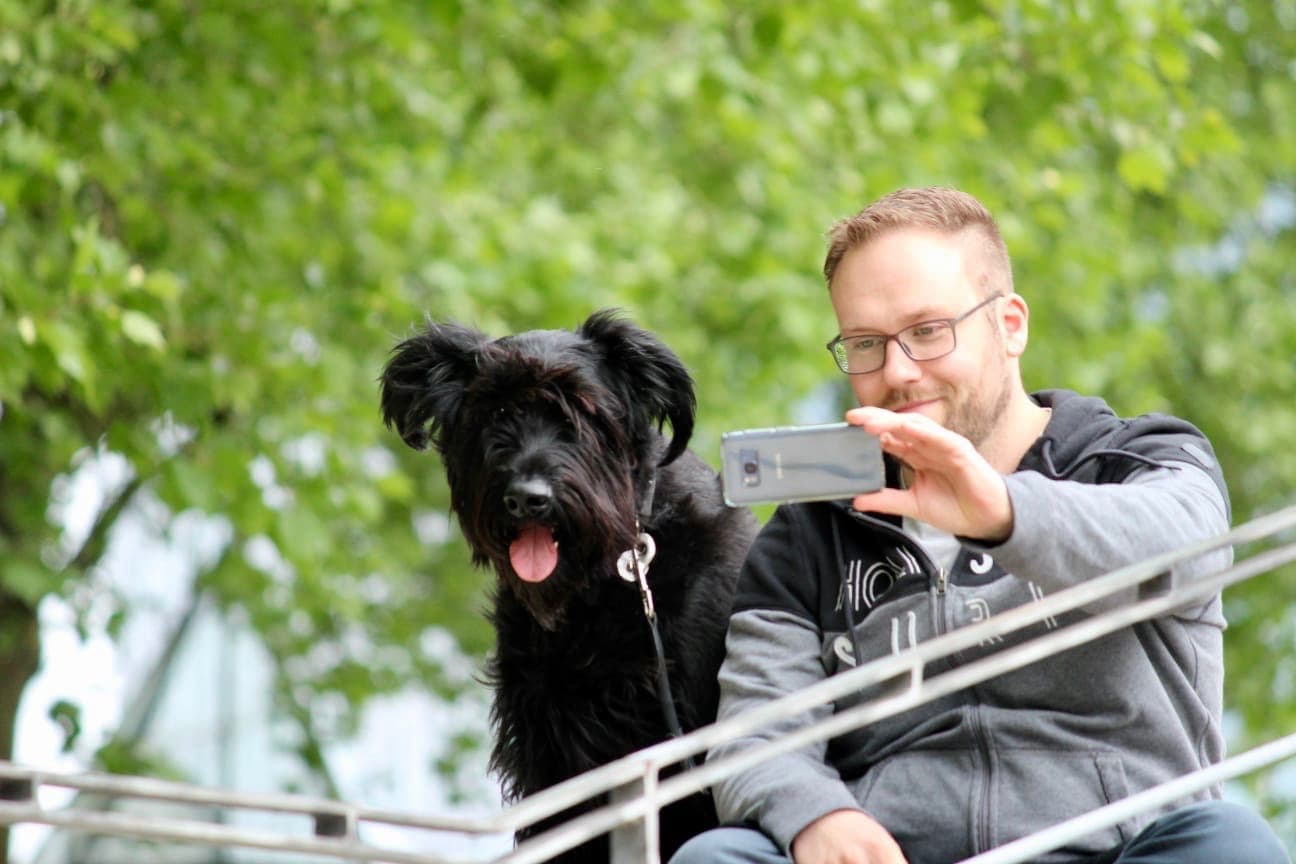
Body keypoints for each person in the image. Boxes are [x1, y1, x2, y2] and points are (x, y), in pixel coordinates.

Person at [671, 187, 1290, 864]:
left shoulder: (1133, 456)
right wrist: (816, 815)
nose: (898, 371)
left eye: (928, 331)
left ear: (1010, 325)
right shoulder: (809, 530)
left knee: (1231, 842)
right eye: (866, 344)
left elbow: (1196, 550)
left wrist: (1003, 511)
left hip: (1118, 851)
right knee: (716, 857)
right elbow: (757, 732)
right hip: (896, 857)